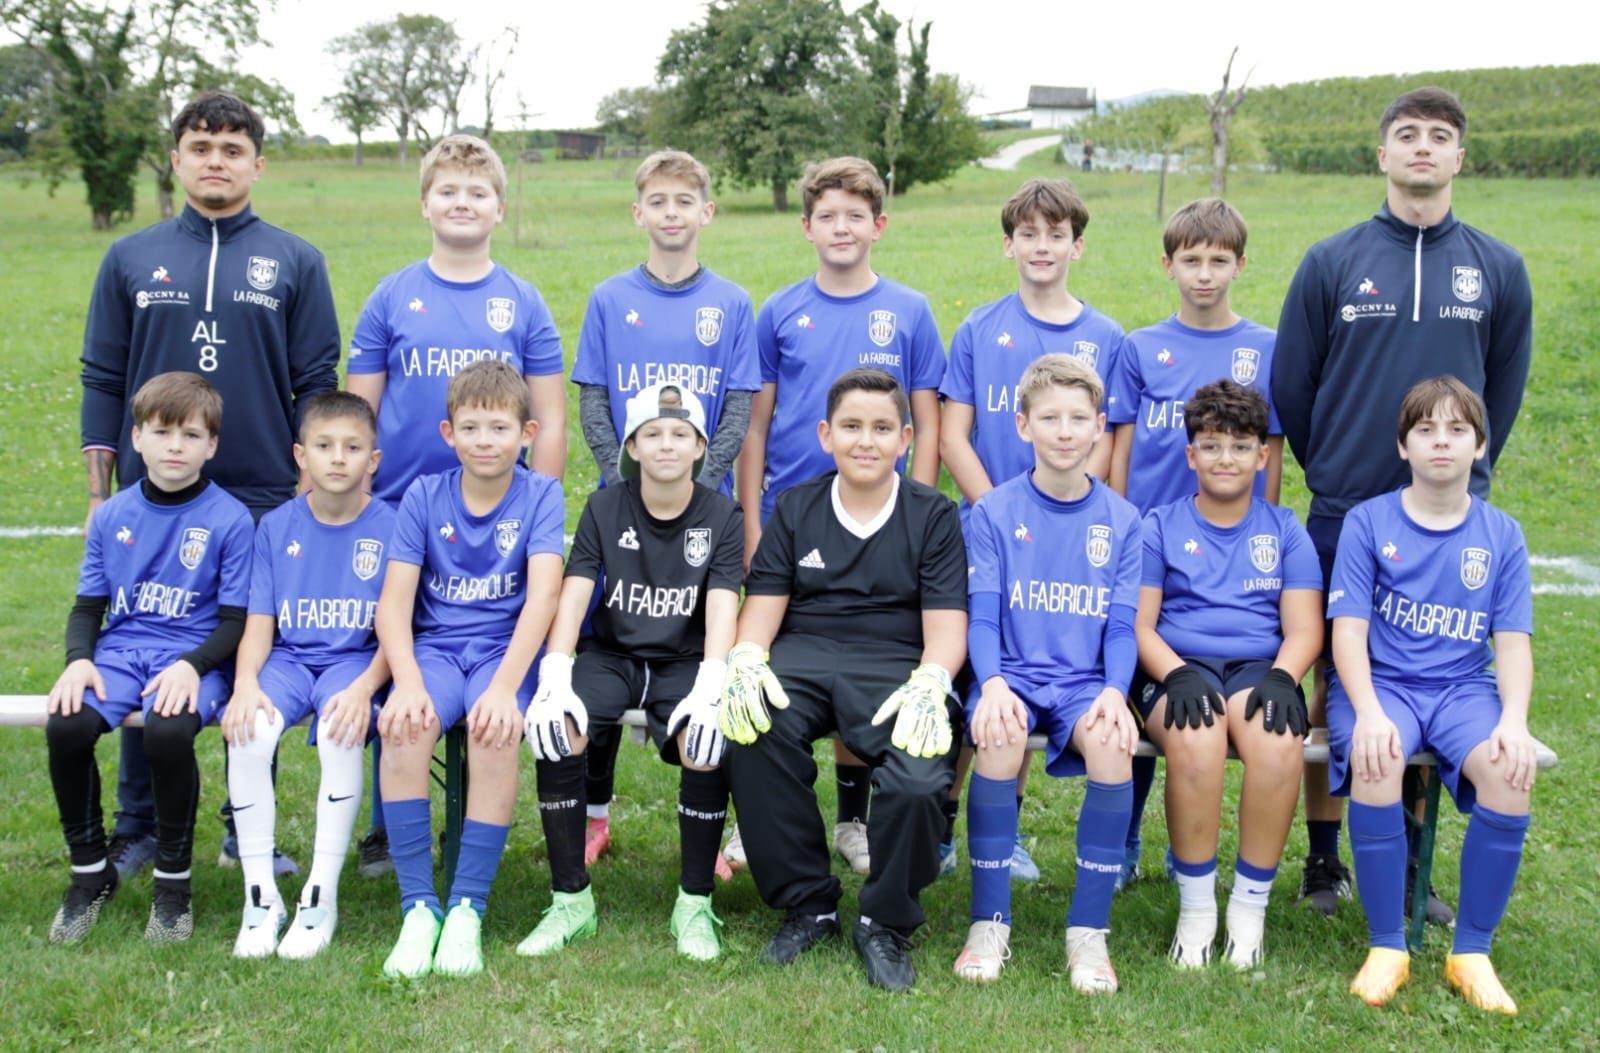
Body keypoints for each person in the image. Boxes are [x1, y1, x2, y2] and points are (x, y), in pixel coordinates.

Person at [1272, 87, 1533, 920]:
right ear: (1382, 155)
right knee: (1331, 690)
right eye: (1408, 135)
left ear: (1461, 157)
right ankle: (1322, 860)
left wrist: (1453, 473)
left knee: (1436, 679)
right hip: (1345, 509)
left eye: (1441, 136)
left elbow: (1503, 390)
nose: (1424, 148)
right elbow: (1294, 387)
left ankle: (1417, 874)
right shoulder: (1332, 261)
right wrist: (1344, 471)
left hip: (1448, 516)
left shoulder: (1497, 268)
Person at [79, 90, 339, 881]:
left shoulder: (295, 260)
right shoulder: (130, 256)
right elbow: (102, 375)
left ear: (258, 163)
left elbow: (314, 380)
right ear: (177, 158)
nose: (215, 161)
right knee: (142, 638)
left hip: (260, 494)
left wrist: (306, 489)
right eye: (201, 146)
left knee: (247, 655)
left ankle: (240, 819)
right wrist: (101, 490)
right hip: (150, 494)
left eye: (232, 149)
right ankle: (135, 826)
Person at [346, 133, 566, 876]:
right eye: (448, 191)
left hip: (501, 512)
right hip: (401, 509)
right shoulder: (392, 293)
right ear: (424, 204)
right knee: (391, 651)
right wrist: (357, 498)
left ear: (499, 207)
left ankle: (464, 826)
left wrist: (544, 501)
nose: (462, 202)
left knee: (477, 657)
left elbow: (551, 416)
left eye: (477, 192)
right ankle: (384, 826)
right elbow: (358, 409)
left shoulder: (521, 299)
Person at [721, 368, 967, 992]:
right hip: (805, 652)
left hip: (893, 663)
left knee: (918, 777)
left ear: (906, 438)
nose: (866, 441)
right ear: (826, 434)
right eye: (852, 427)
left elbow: (945, 620)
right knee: (753, 731)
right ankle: (810, 902)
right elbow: (767, 603)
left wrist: (933, 678)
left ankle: (885, 920)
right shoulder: (799, 506)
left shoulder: (933, 515)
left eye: (882, 428)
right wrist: (747, 657)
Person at [738, 157, 946, 878]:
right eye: (827, 215)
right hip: (795, 521)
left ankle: (855, 816)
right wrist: (754, 521)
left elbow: (924, 419)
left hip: (882, 513)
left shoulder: (910, 310)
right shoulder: (780, 310)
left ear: (878, 226)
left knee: (865, 657)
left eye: (856, 215)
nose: (842, 227)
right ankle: (762, 814)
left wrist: (912, 518)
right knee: (780, 669)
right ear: (806, 227)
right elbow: (756, 427)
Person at [569, 149, 758, 867]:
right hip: (627, 503)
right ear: (639, 212)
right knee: (610, 643)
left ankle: (718, 820)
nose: (672, 212)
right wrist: (629, 478)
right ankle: (592, 811)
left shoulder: (730, 302)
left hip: (703, 507)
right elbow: (593, 397)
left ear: (706, 211)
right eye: (659, 200)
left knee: (704, 655)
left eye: (686, 200)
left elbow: (736, 405)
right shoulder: (611, 298)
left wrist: (693, 488)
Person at [1328, 377, 1536, 1015]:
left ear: (1479, 446)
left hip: (1462, 690)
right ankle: (1388, 945)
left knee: (1509, 771)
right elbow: (1349, 633)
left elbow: (1513, 644)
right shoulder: (1368, 522)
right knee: (1379, 756)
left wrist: (1514, 720)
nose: (1440, 443)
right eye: (1425, 430)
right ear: (1402, 444)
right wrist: (1365, 712)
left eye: (1456, 431)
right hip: (1380, 684)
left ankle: (1471, 951)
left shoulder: (1502, 536)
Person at [938, 176, 1127, 880]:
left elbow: (1106, 442)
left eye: (1056, 234)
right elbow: (955, 433)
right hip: (987, 530)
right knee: (976, 674)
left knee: (1032, 665)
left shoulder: (1106, 336)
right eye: (1029, 234)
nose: (1041, 246)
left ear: (1076, 245)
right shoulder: (979, 328)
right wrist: (999, 512)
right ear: (1008, 243)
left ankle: (1005, 830)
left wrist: (1054, 523)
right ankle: (943, 818)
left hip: (1069, 544)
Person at [520, 382, 744, 961]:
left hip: (684, 662)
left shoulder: (722, 514)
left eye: (680, 435)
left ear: (699, 447)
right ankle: (571, 901)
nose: (666, 445)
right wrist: (555, 670)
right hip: (612, 656)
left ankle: (693, 902)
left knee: (705, 741)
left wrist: (714, 680)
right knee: (560, 732)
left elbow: (723, 602)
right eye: (652, 435)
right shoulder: (604, 506)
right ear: (633, 448)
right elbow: (574, 594)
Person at [1107, 196, 1282, 888]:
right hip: (1149, 541)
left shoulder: (1265, 347)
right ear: (1168, 264)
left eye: (1218, 260)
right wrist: (1119, 521)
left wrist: (1261, 538)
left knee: (1188, 688)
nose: (1204, 274)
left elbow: (1272, 451)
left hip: (1228, 552)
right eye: (1191, 260)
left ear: (1240, 264)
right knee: (1143, 679)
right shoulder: (1140, 346)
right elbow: (1121, 444)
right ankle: (1124, 839)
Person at [952, 354, 1139, 992]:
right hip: (1013, 674)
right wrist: (994, 683)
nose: (1064, 431)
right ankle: (989, 922)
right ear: (1023, 425)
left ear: (1099, 428)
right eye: (1050, 417)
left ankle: (1089, 934)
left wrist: (1115, 691)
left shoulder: (1122, 521)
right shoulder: (994, 512)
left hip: (1086, 681)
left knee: (1115, 744)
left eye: (1078, 418)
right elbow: (981, 619)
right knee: (1000, 737)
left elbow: (1119, 628)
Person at [46, 372, 253, 944]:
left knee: (165, 731)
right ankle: (90, 874)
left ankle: (172, 885)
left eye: (191, 435)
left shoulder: (231, 519)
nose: (175, 447)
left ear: (211, 445)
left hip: (197, 660)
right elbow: (88, 607)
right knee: (65, 724)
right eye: (162, 433)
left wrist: (192, 665)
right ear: (136, 438)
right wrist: (78, 660)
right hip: (121, 655)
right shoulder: (113, 515)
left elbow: (236, 621)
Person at [372, 360, 564, 979]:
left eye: (500, 428)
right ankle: (418, 908)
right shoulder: (425, 495)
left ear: (527, 433)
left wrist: (508, 688)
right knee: (403, 729)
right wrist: (405, 681)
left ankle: (466, 909)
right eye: (472, 428)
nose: (486, 440)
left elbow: (543, 598)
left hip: (504, 654)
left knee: (494, 731)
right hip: (436, 652)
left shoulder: (541, 494)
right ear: (448, 433)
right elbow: (395, 603)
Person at [1132, 381, 1322, 970]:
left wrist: (1285, 678)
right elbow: (1139, 626)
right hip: (1176, 668)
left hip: (1255, 669)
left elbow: (1305, 629)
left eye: (1241, 447)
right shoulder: (1158, 526)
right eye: (1211, 447)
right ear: (1190, 455)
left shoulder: (1285, 529)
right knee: (1196, 740)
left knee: (1278, 743)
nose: (1225, 459)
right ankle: (1196, 910)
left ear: (1263, 456)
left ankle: (1248, 907)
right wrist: (1176, 673)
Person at [220, 392, 395, 959]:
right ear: (301, 455)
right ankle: (260, 896)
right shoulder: (274, 527)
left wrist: (368, 686)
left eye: (352, 448)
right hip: (289, 663)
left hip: (354, 663)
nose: (337, 458)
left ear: (374, 459)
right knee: (249, 733)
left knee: (342, 731)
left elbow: (399, 628)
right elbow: (260, 622)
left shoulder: (392, 526)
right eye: (324, 446)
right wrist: (246, 685)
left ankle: (321, 895)